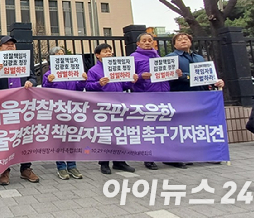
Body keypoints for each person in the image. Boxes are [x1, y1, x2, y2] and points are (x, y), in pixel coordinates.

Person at [165, 33, 224, 169]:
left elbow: (208, 76)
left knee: (202, 126)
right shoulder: (171, 58)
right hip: (181, 96)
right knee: (183, 127)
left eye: (186, 39)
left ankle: (207, 154)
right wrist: (186, 77)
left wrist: (217, 81)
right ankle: (183, 155)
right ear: (174, 45)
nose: (183, 41)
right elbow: (168, 76)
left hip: (201, 96)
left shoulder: (199, 58)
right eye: (179, 40)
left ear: (191, 42)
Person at [0, 36, 39, 185]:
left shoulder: (23, 59)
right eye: (7, 44)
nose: (10, 47)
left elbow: (33, 77)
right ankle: (5, 170)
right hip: (4, 107)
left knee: (25, 137)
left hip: (23, 106)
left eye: (12, 45)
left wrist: (31, 82)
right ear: (0, 47)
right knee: (5, 139)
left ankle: (26, 169)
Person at [130, 33, 182, 170]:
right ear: (138, 44)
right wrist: (141, 76)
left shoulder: (159, 58)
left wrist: (175, 73)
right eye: (144, 41)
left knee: (164, 128)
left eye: (150, 40)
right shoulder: (133, 58)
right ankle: (149, 158)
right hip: (145, 96)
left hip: (163, 96)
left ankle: (168, 157)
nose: (147, 43)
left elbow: (165, 76)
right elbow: (128, 78)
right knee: (149, 129)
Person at [86, 43, 138, 175]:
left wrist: (131, 81)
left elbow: (124, 84)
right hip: (103, 105)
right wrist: (99, 83)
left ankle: (119, 162)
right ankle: (104, 162)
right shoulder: (93, 70)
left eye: (110, 51)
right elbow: (88, 87)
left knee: (119, 133)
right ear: (97, 55)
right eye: (105, 52)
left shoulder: (117, 68)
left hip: (119, 103)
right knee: (105, 134)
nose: (109, 53)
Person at [42, 46, 87, 180]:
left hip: (73, 109)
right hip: (57, 110)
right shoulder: (49, 74)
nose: (61, 56)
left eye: (62, 54)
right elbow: (45, 90)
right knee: (59, 140)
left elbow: (79, 89)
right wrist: (49, 82)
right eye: (57, 54)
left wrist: (82, 80)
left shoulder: (74, 72)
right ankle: (61, 167)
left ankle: (72, 166)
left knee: (71, 139)